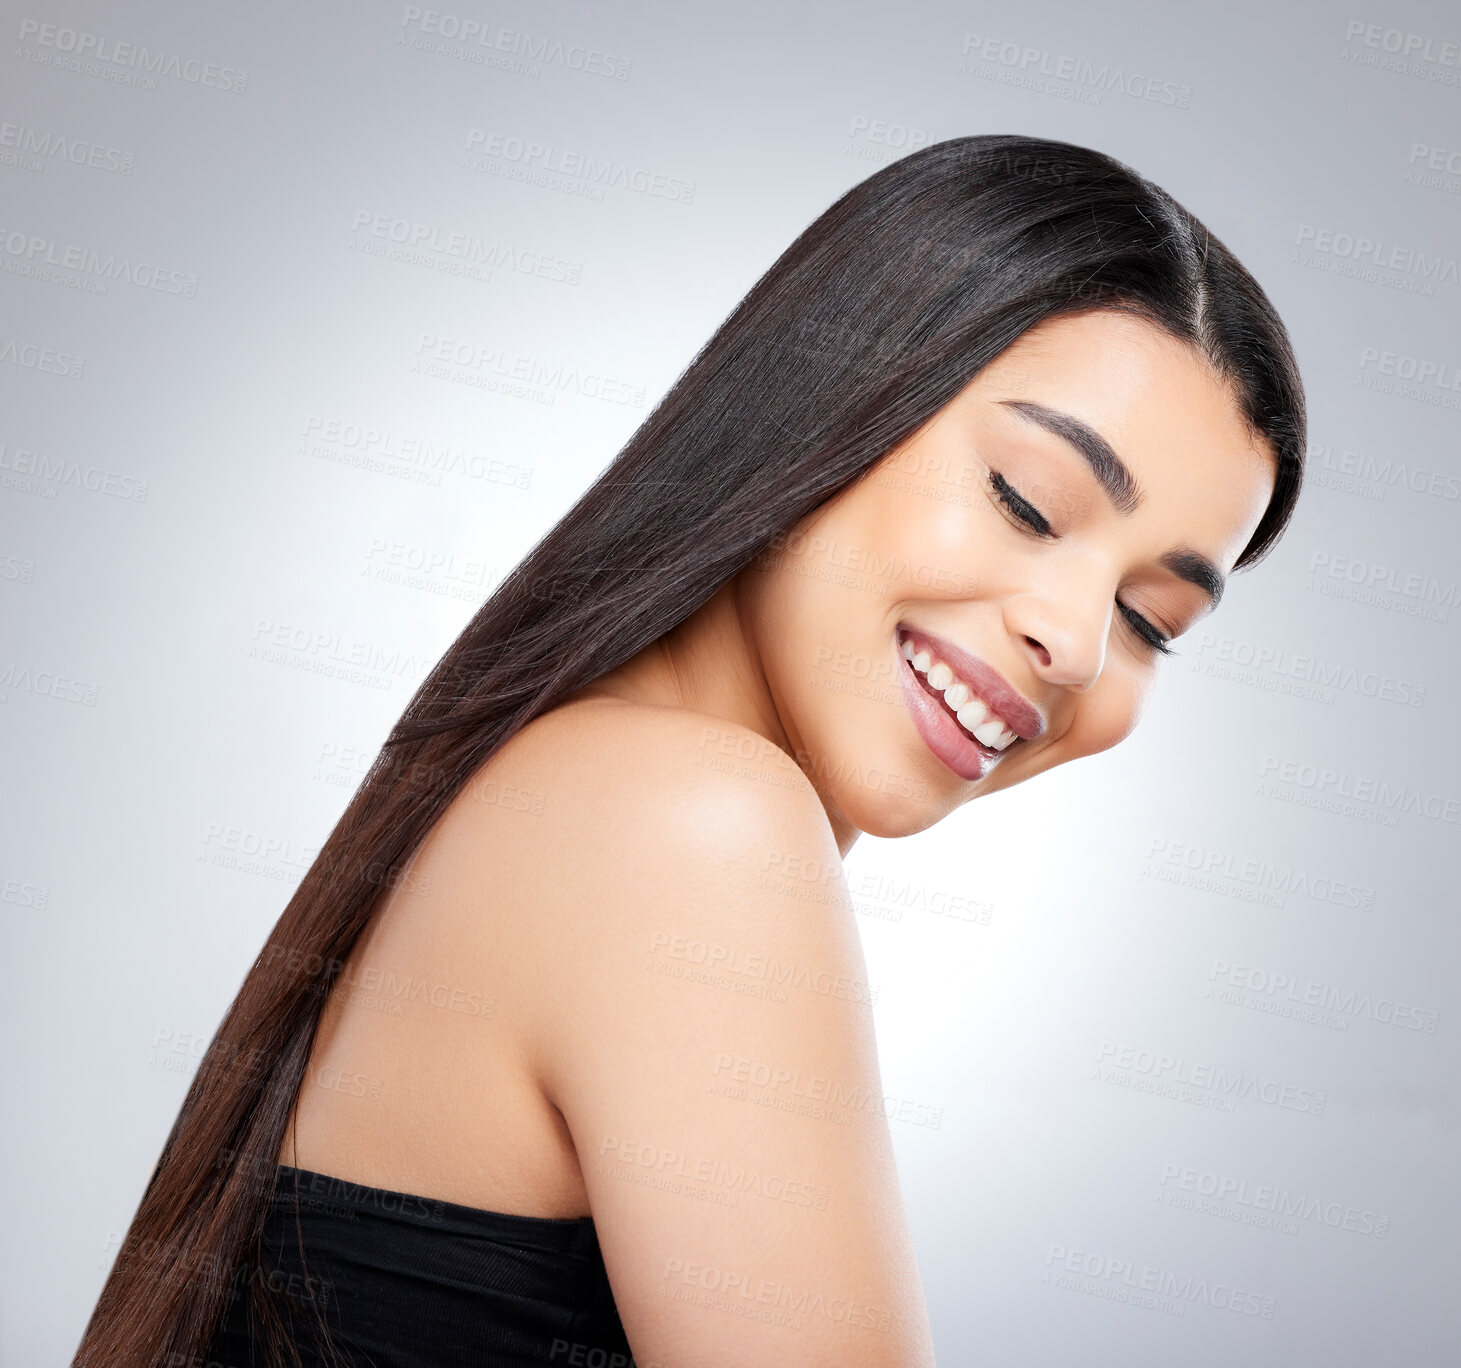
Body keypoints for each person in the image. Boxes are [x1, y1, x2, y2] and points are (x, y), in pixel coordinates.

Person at [74, 133, 1305, 1368]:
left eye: (1154, 620)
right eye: (1029, 502)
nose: (1078, 643)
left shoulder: (571, 779)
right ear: (834, 402)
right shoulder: (685, 819)